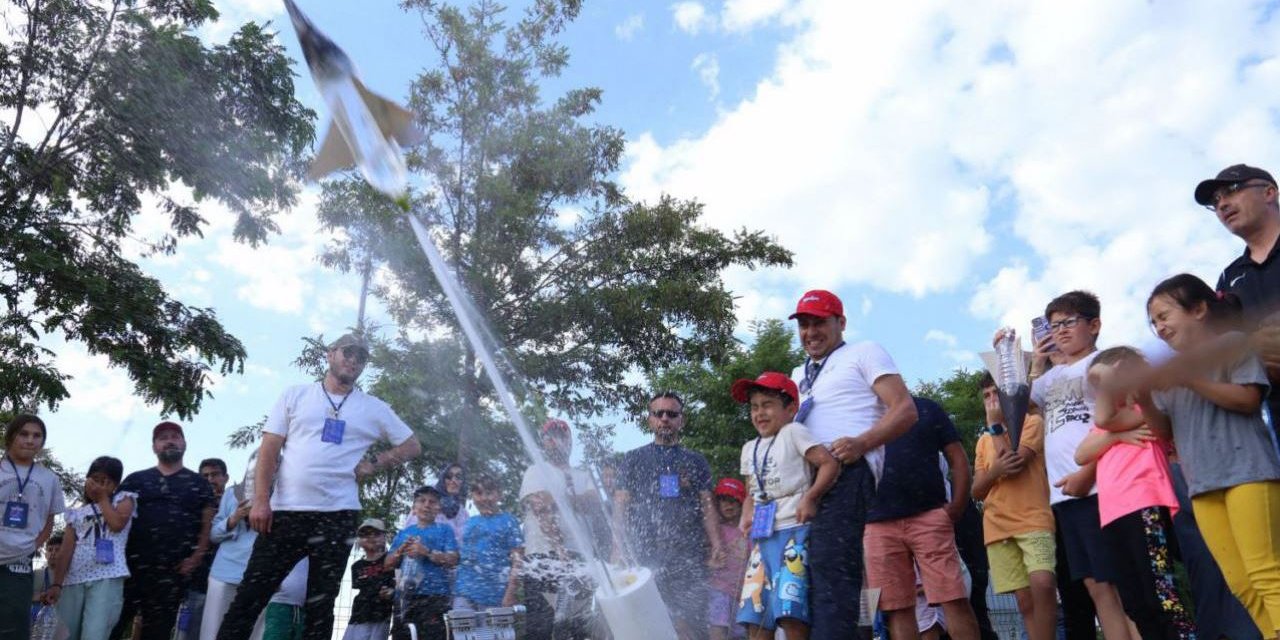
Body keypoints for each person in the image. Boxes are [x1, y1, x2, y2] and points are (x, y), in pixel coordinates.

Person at [217, 333, 422, 640]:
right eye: (348, 353)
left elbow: (411, 445)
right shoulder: (296, 395)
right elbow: (270, 448)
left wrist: (374, 463)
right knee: (250, 596)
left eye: (361, 357)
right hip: (286, 513)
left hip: (337, 517)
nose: (353, 360)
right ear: (330, 354)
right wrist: (261, 499)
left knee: (320, 606)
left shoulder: (372, 407)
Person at [1139, 274, 1280, 637]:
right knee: (1241, 585)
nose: (1160, 327)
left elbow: (1248, 400)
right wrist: (1142, 398)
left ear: (1199, 309)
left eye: (1164, 315)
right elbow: (1164, 433)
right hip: (1201, 487)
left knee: (1266, 573)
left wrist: (1189, 378)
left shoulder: (1231, 344)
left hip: (1247, 473)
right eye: (1154, 322)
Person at [786, 289, 918, 639]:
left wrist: (863, 443)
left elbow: (905, 409)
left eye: (819, 323)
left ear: (841, 322)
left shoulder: (865, 352)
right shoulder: (798, 374)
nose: (810, 332)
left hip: (846, 470)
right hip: (801, 483)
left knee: (832, 569)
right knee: (799, 577)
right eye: (804, 325)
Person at [1021, 291, 1132, 639]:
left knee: (1125, 586)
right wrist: (1035, 365)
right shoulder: (1050, 378)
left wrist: (1088, 472)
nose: (1061, 331)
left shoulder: (1104, 364)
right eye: (1054, 326)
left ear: (1094, 324)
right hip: (1066, 496)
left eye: (1069, 322)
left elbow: (1122, 421)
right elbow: (1017, 406)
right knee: (1097, 588)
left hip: (1102, 486)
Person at [1074, 347, 1195, 639]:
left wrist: (1107, 380)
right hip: (1114, 514)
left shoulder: (1147, 409)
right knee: (1135, 602)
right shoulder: (1109, 427)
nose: (1100, 389)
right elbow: (1082, 454)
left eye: (1103, 382)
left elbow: (1104, 418)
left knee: (1160, 593)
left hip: (1147, 506)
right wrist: (1116, 438)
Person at [731, 371, 840, 640]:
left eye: (768, 405)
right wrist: (746, 516)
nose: (760, 413)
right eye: (754, 407)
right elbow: (750, 492)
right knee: (754, 615)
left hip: (793, 532)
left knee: (791, 612)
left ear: (791, 408)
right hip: (761, 537)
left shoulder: (794, 432)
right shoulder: (749, 447)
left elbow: (828, 463)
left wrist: (811, 496)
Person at [863, 396, 979, 639]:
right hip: (876, 523)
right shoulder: (857, 412)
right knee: (897, 608)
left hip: (929, 516)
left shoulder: (925, 408)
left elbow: (957, 456)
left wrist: (957, 506)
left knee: (953, 598)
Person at [614, 392, 722, 640]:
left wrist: (716, 543)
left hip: (688, 554)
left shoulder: (696, 460)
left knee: (693, 622)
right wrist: (617, 547)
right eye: (658, 413)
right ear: (650, 419)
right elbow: (620, 506)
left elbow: (707, 505)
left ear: (681, 420)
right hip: (646, 555)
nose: (665, 419)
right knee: (650, 621)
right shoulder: (632, 459)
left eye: (672, 414)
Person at [112, 421, 216, 640]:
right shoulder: (135, 480)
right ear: (154, 447)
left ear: (184, 443)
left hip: (172, 573)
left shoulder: (199, 483)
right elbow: (117, 523)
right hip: (130, 569)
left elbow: (207, 526)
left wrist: (195, 558)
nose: (170, 441)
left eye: (175, 437)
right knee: (111, 626)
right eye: (163, 438)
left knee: (157, 633)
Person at [971, 373, 1056, 640]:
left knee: (1043, 583)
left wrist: (995, 428)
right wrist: (994, 470)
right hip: (998, 525)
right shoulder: (982, 441)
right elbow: (977, 489)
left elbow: (1015, 464)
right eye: (986, 396)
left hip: (1034, 518)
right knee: (1024, 601)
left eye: (996, 394)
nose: (991, 401)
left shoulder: (1031, 422)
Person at [521, 419, 602, 639]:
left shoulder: (583, 475)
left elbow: (593, 503)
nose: (556, 441)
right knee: (543, 628)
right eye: (550, 437)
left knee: (577, 628)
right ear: (543, 443)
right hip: (543, 559)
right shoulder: (536, 470)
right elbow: (541, 508)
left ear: (570, 440)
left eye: (562, 436)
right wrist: (560, 550)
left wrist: (556, 498)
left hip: (580, 558)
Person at [50, 456, 136, 640]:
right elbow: (66, 550)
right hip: (73, 578)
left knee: (94, 633)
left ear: (116, 485)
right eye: (94, 479)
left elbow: (116, 525)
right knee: (64, 633)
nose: (98, 485)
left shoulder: (123, 500)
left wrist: (103, 498)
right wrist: (57, 584)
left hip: (107, 577)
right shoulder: (76, 513)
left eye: (106, 481)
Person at [1, 414, 64, 639]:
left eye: (37, 436)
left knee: (13, 623)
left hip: (21, 559)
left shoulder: (49, 479)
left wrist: (34, 545)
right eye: (24, 434)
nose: (30, 440)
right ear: (10, 437)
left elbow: (49, 518)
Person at [386, 486, 458, 640]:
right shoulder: (403, 533)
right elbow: (387, 564)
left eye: (432, 502)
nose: (427, 505)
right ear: (414, 507)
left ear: (438, 508)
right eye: (422, 501)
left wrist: (426, 552)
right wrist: (400, 551)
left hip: (435, 597)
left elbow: (454, 560)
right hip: (404, 598)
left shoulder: (445, 530)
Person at [202, 453, 260, 640]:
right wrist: (234, 518)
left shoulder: (282, 496)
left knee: (255, 633)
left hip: (261, 574)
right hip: (224, 573)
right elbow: (214, 534)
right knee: (213, 631)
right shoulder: (232, 493)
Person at [453, 473, 522, 610]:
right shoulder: (469, 523)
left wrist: (511, 592)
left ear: (499, 495)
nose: (484, 498)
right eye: (479, 493)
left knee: (492, 632)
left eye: (489, 493)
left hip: (495, 596)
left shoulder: (508, 521)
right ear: (472, 496)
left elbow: (518, 560)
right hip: (463, 594)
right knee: (463, 630)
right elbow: (461, 557)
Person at [182, 458, 229, 640]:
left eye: (215, 474)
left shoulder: (236, 503)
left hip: (227, 581)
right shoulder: (192, 507)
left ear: (226, 477)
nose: (210, 479)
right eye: (205, 476)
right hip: (197, 583)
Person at [708, 478, 748, 640]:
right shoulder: (715, 531)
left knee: (741, 632)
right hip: (719, 588)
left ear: (742, 503)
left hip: (743, 593)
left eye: (733, 500)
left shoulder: (748, 530)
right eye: (723, 501)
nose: (728, 505)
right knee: (717, 627)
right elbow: (704, 558)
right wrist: (709, 563)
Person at [343, 519, 394, 640]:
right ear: (359, 540)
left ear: (384, 537)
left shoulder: (391, 561)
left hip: (381, 616)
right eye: (365, 534)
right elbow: (362, 587)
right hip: (358, 615)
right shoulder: (357, 566)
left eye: (376, 534)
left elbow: (396, 585)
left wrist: (391, 591)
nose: (371, 537)